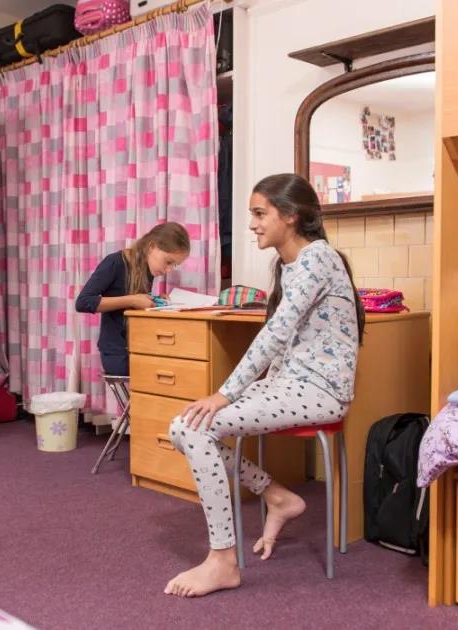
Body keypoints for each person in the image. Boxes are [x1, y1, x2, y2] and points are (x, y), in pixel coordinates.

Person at [163, 173, 365, 597]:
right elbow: (284, 341)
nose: (252, 224)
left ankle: (223, 561)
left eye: (260, 214)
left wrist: (226, 393)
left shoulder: (318, 258)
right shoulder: (290, 266)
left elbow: (276, 333)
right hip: (288, 385)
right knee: (183, 427)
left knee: (196, 427)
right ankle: (275, 495)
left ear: (290, 216)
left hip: (320, 392)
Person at [74, 222, 191, 376]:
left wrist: (156, 301)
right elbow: (83, 302)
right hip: (117, 354)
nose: (168, 270)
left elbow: (134, 303)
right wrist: (132, 300)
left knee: (183, 364)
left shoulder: (147, 269)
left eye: (174, 265)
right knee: (173, 371)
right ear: (151, 247)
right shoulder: (114, 263)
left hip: (139, 345)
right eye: (168, 262)